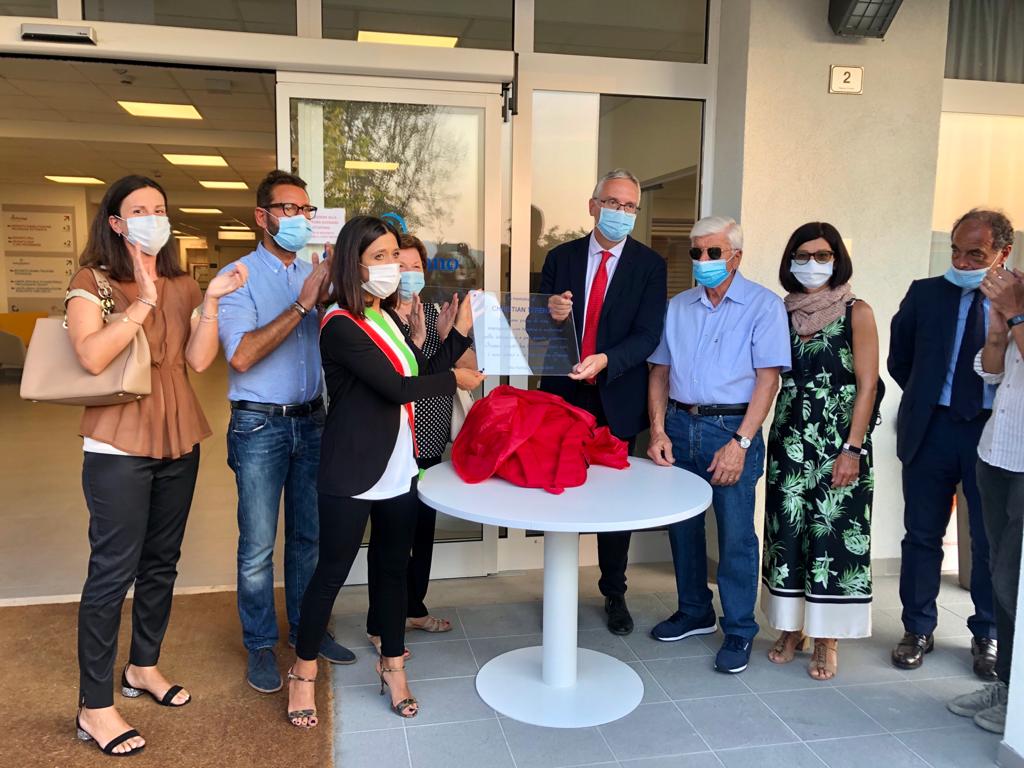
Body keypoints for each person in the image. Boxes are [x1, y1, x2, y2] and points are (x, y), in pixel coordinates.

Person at [67, 175, 246, 755]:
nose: (152, 217)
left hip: (178, 436)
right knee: (111, 571)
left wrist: (210, 303)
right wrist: (141, 299)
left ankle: (143, 666)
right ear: (116, 223)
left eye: (159, 208)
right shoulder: (92, 282)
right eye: (138, 209)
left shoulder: (182, 284)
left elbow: (197, 360)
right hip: (118, 442)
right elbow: (92, 357)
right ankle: (94, 706)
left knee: (162, 561)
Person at [286, 216, 484, 728]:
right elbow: (397, 388)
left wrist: (454, 336)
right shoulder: (339, 324)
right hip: (351, 468)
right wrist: (455, 378)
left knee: (393, 570)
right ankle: (303, 673)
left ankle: (393, 667)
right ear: (354, 264)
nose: (393, 265)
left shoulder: (389, 318)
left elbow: (419, 370)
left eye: (395, 255)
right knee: (330, 574)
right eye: (380, 257)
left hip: (399, 466)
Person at [217, 170, 355, 694]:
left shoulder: (314, 272)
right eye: (288, 209)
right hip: (259, 425)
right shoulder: (238, 276)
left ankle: (305, 633)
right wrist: (302, 303)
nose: (299, 218)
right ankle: (259, 644)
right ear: (263, 216)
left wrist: (329, 291)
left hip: (312, 420)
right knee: (257, 545)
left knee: (307, 537)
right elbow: (242, 355)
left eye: (305, 209)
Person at [647, 215, 790, 674]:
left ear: (736, 256)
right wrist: (658, 431)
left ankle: (740, 628)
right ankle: (694, 611)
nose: (703, 260)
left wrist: (741, 442)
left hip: (730, 429)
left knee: (735, 535)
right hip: (679, 424)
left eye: (714, 252)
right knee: (682, 527)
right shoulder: (678, 307)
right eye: (697, 252)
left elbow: (768, 381)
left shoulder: (763, 306)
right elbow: (660, 372)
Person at [539, 168, 667, 636]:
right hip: (563, 398)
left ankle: (615, 591)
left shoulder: (649, 266)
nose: (621, 212)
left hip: (616, 397)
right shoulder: (561, 257)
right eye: (613, 203)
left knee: (614, 505)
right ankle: (557, 589)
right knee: (559, 494)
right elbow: (534, 330)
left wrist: (607, 360)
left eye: (630, 206)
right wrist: (550, 313)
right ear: (593, 206)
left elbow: (648, 335)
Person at [888, 208, 1009, 679]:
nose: (961, 262)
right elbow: (900, 359)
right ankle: (917, 628)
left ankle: (988, 633)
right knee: (921, 534)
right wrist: (928, 398)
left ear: (1003, 253)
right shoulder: (925, 294)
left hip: (990, 430)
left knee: (989, 539)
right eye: (956, 250)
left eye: (975, 254)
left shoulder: (1016, 298)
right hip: (932, 428)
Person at [761, 222, 879, 681]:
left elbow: (868, 385)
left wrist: (853, 448)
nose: (812, 264)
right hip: (790, 438)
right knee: (787, 533)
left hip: (839, 442)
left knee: (834, 535)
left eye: (822, 255)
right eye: (803, 255)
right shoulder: (781, 313)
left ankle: (828, 637)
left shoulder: (857, 311)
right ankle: (791, 629)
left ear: (837, 259)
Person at [365, 233, 477, 653]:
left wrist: (453, 335)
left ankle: (414, 607)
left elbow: (463, 369)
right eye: (401, 266)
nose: (409, 274)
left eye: (416, 267)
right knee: (390, 539)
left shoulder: (433, 312)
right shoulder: (377, 318)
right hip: (394, 443)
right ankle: (380, 622)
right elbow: (409, 379)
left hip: (430, 440)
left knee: (422, 532)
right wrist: (445, 343)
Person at [948, 256, 1024, 735]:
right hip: (997, 453)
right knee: (999, 573)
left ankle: (1018, 699)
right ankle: (1006, 684)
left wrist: (1015, 314)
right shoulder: (1015, 309)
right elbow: (991, 373)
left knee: (1015, 581)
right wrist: (998, 328)